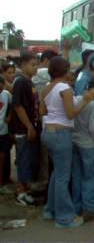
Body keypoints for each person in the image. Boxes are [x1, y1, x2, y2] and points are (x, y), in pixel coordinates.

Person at [40, 56, 94, 228]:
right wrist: (86, 100)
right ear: (65, 70)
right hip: (61, 134)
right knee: (63, 177)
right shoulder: (65, 88)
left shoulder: (47, 88)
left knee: (57, 174)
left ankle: (50, 209)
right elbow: (71, 114)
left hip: (48, 132)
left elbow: (42, 110)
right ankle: (64, 218)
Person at [71, 77, 94, 220]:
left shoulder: (75, 100)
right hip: (89, 145)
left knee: (77, 176)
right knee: (92, 177)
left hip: (74, 142)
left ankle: (77, 207)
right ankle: (90, 208)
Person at [10, 52, 39, 207]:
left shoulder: (30, 82)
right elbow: (17, 106)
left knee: (28, 161)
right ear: (23, 65)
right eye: (32, 64)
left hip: (30, 128)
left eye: (36, 65)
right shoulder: (21, 82)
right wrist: (28, 126)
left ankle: (26, 189)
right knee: (23, 160)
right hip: (23, 129)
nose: (35, 68)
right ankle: (21, 192)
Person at [32, 49, 59, 192]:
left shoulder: (39, 77)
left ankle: (42, 182)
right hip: (50, 124)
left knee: (43, 155)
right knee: (46, 156)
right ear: (48, 61)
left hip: (41, 121)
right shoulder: (44, 73)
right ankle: (45, 183)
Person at [0, 75, 13, 195]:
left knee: (3, 157)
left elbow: (13, 105)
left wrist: (9, 116)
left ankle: (2, 183)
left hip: (3, 131)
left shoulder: (6, 94)